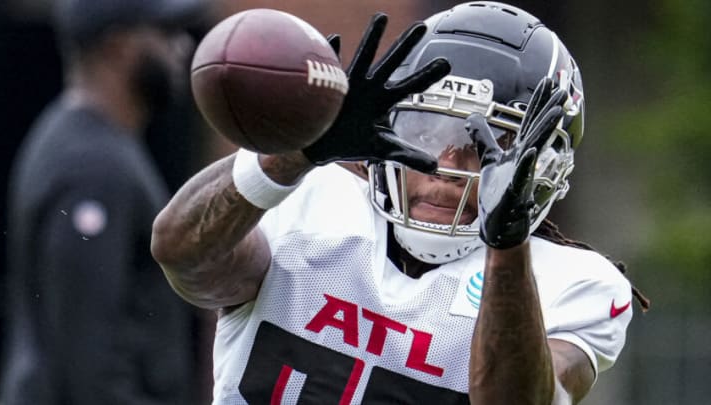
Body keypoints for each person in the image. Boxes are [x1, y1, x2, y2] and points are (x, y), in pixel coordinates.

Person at [151, 2, 649, 404]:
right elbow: (182, 255)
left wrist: (508, 247)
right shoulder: (309, 201)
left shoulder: (574, 283)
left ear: (541, 165)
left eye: (488, 144)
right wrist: (292, 155)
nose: (451, 165)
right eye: (429, 129)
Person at [0, 0, 206, 403]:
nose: (182, 47)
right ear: (118, 46)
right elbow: (87, 357)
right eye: (165, 34)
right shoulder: (92, 167)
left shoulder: (91, 142)